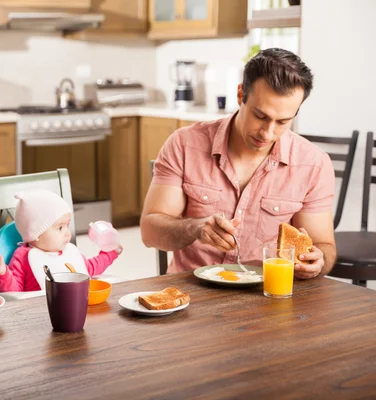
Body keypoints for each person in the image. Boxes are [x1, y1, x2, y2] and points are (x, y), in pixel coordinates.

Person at [140, 48, 336, 279]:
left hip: (266, 294)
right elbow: (150, 232)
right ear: (241, 94)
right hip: (192, 292)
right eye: (260, 116)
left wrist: (317, 262)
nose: (268, 133)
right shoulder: (185, 144)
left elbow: (324, 247)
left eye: (283, 121)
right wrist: (195, 228)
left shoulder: (313, 163)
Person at [0, 189, 122, 292]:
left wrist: (110, 253)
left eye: (67, 225)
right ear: (37, 234)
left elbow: (90, 269)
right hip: (38, 314)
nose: (67, 232)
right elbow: (15, 290)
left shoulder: (68, 251)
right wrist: (3, 274)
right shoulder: (23, 256)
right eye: (59, 228)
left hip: (74, 307)